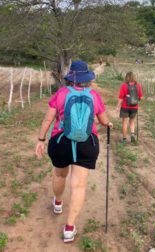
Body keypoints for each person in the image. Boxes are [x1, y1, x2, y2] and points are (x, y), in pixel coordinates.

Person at [35, 60, 113, 243]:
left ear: (71, 78)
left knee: (60, 175)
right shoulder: (94, 95)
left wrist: (40, 140)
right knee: (78, 186)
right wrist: (109, 123)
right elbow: (103, 120)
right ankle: (69, 228)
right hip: (86, 144)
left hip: (61, 141)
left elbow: (48, 119)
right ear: (87, 78)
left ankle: (58, 203)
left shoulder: (61, 93)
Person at [116, 71, 143, 143]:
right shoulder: (138, 85)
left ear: (126, 77)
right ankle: (132, 135)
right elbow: (140, 97)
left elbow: (121, 97)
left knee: (125, 123)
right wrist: (136, 101)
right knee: (132, 122)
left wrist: (118, 106)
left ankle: (124, 139)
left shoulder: (124, 85)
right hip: (134, 107)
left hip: (125, 106)